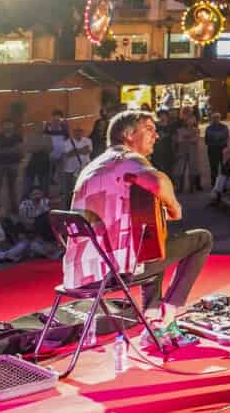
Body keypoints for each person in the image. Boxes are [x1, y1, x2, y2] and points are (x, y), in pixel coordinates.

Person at [66, 110, 213, 324]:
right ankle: (168, 316)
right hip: (111, 270)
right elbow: (158, 182)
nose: (157, 135)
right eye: (149, 129)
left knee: (152, 243)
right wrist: (174, 208)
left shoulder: (94, 165)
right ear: (128, 134)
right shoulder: (126, 158)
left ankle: (152, 315)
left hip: (79, 273)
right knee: (202, 239)